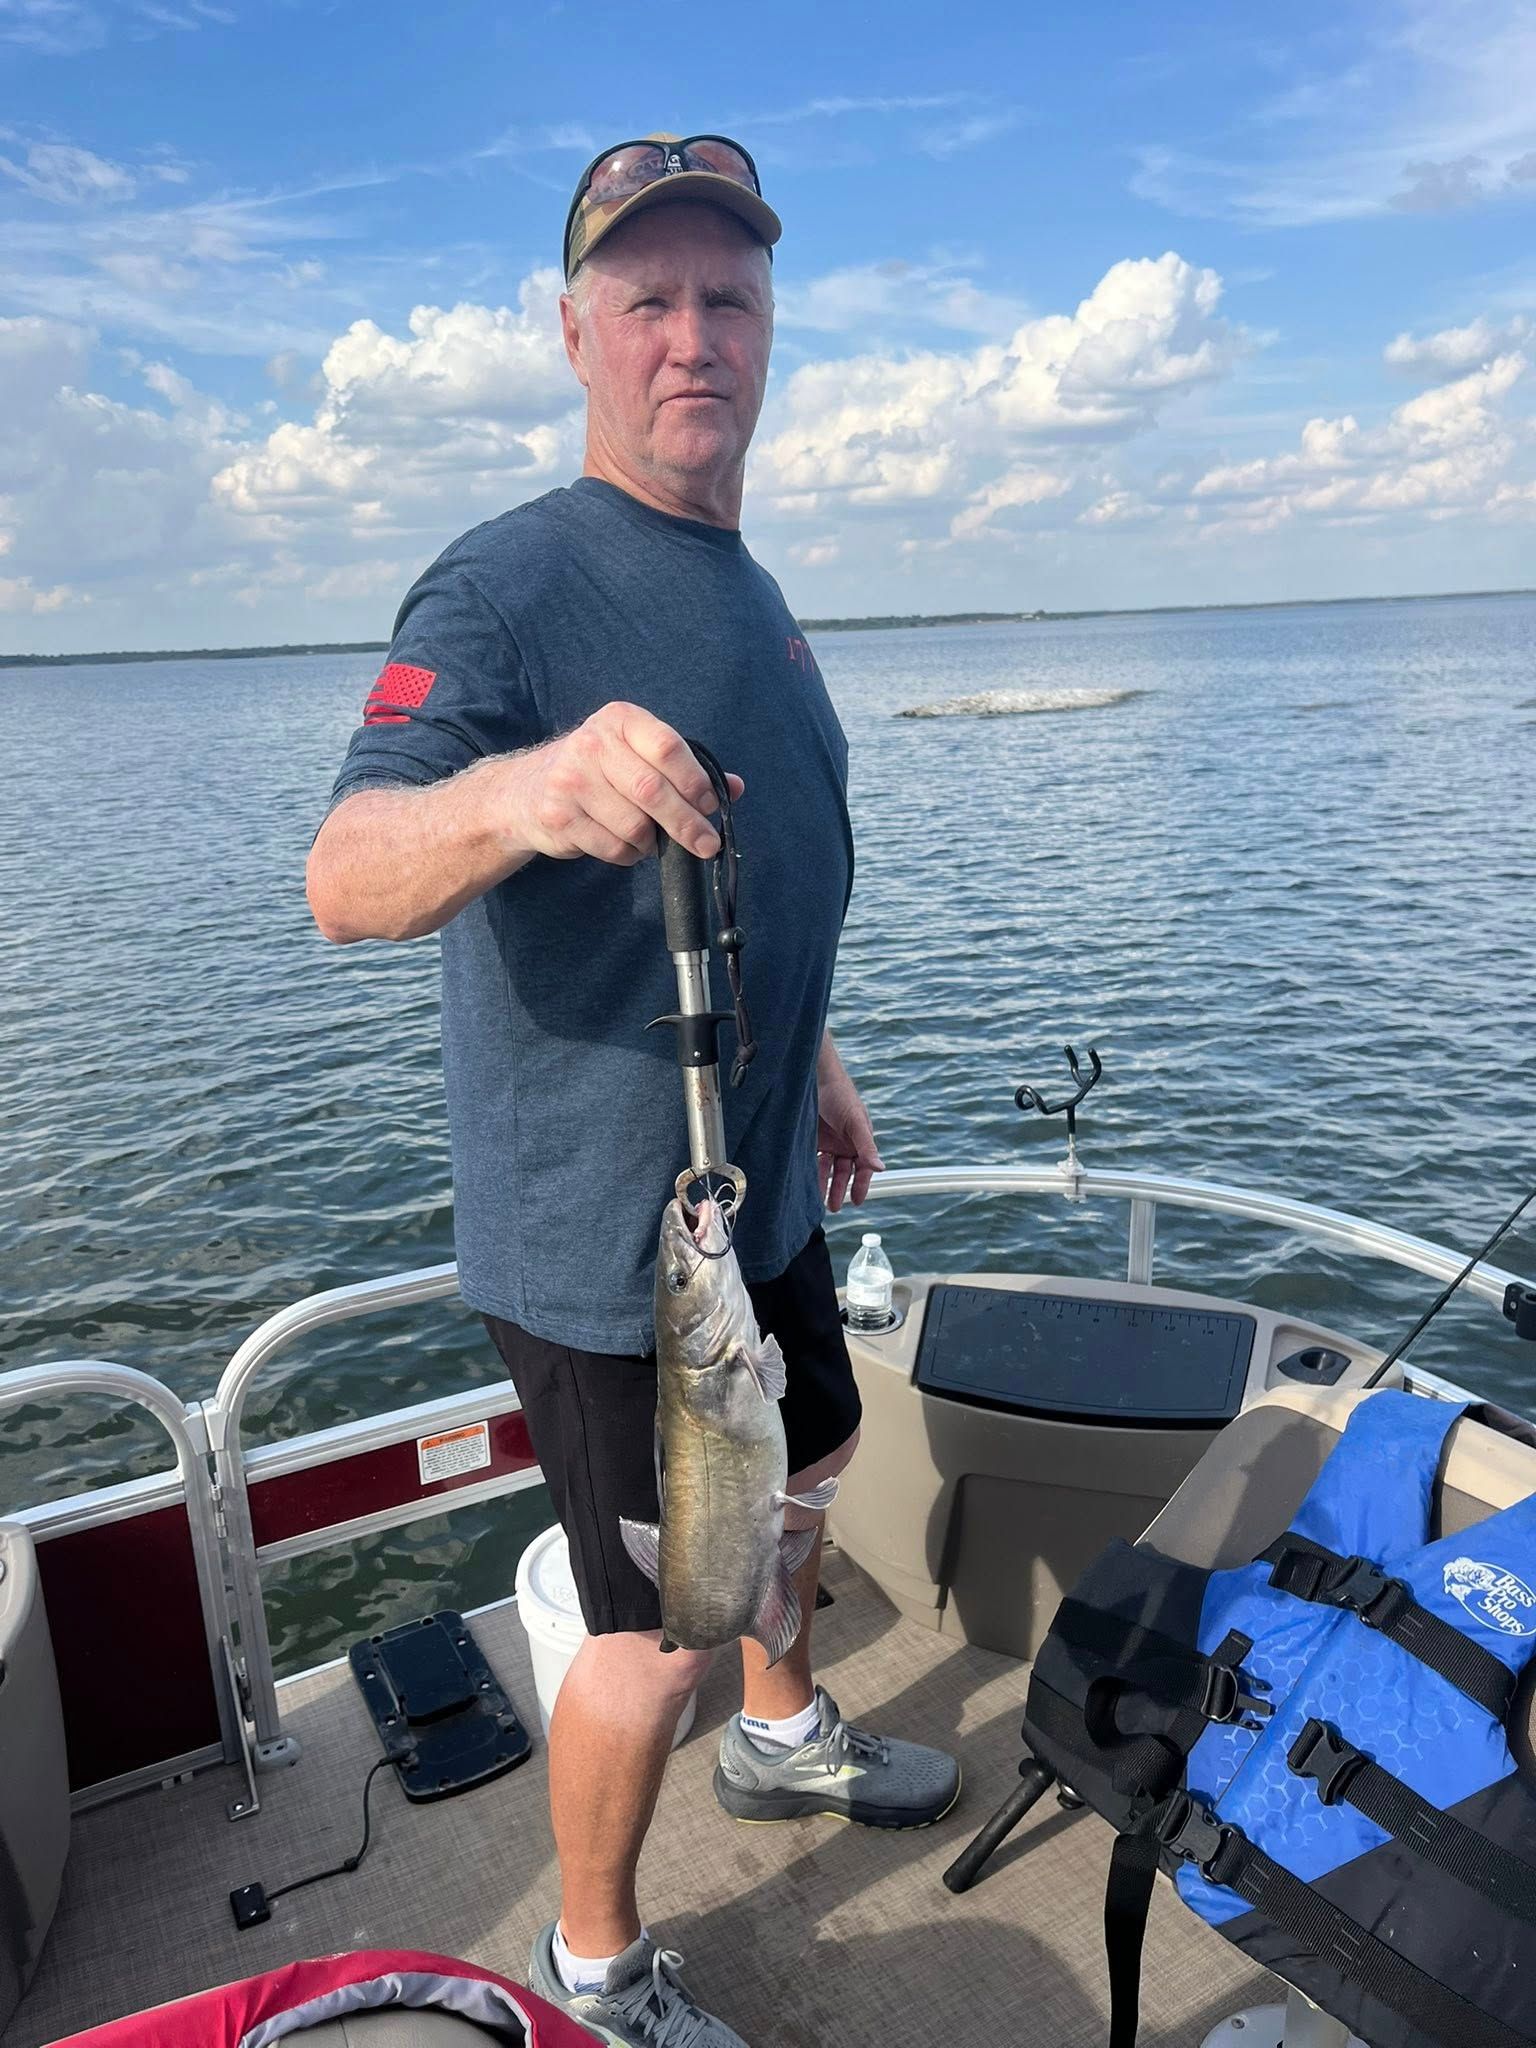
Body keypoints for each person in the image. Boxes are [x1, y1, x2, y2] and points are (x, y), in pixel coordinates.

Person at [306, 132, 960, 2047]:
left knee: (807, 1476)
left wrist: (814, 1053)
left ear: (771, 335)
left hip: (756, 1195)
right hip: (617, 1264)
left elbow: (753, 870)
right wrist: (516, 792)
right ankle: (588, 1966)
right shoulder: (506, 586)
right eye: (650, 302)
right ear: (577, 333)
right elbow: (345, 871)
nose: (696, 337)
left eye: (730, 300)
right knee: (646, 1639)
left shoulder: (746, 584)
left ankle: (787, 1729)